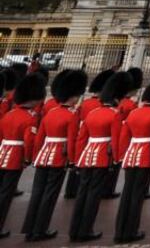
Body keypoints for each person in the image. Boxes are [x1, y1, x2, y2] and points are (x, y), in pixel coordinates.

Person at [68, 70, 134, 243]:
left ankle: (74, 229)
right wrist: (117, 159)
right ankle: (85, 230)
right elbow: (116, 139)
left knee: (82, 192)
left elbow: (81, 139)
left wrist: (76, 159)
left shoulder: (92, 113)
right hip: (102, 157)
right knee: (93, 195)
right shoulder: (115, 115)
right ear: (117, 98)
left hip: (86, 156)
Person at [23, 69, 87, 242]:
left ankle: (29, 229)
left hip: (43, 156)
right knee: (49, 195)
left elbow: (39, 139)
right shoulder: (72, 115)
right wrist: (73, 161)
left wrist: (35, 156)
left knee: (37, 192)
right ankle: (40, 229)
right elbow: (72, 140)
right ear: (74, 96)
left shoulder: (50, 113)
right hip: (58, 157)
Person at [112, 73, 150, 243]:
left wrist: (122, 156)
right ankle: (131, 231)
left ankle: (120, 231)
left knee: (126, 194)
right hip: (145, 157)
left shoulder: (134, 113)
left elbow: (124, 137)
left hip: (130, 156)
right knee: (137, 196)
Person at [0, 73, 45, 239]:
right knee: (6, 194)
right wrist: (27, 159)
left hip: (2, 154)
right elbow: (28, 141)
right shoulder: (30, 118)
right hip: (15, 158)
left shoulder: (8, 115)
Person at [66, 69, 113, 200]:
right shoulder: (100, 105)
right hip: (95, 137)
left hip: (84, 135)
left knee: (79, 163)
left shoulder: (86, 103)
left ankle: (71, 190)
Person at [104, 67, 143, 200]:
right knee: (115, 163)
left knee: (110, 164)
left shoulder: (120, 103)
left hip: (113, 134)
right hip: (122, 135)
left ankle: (107, 188)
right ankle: (108, 188)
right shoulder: (131, 105)